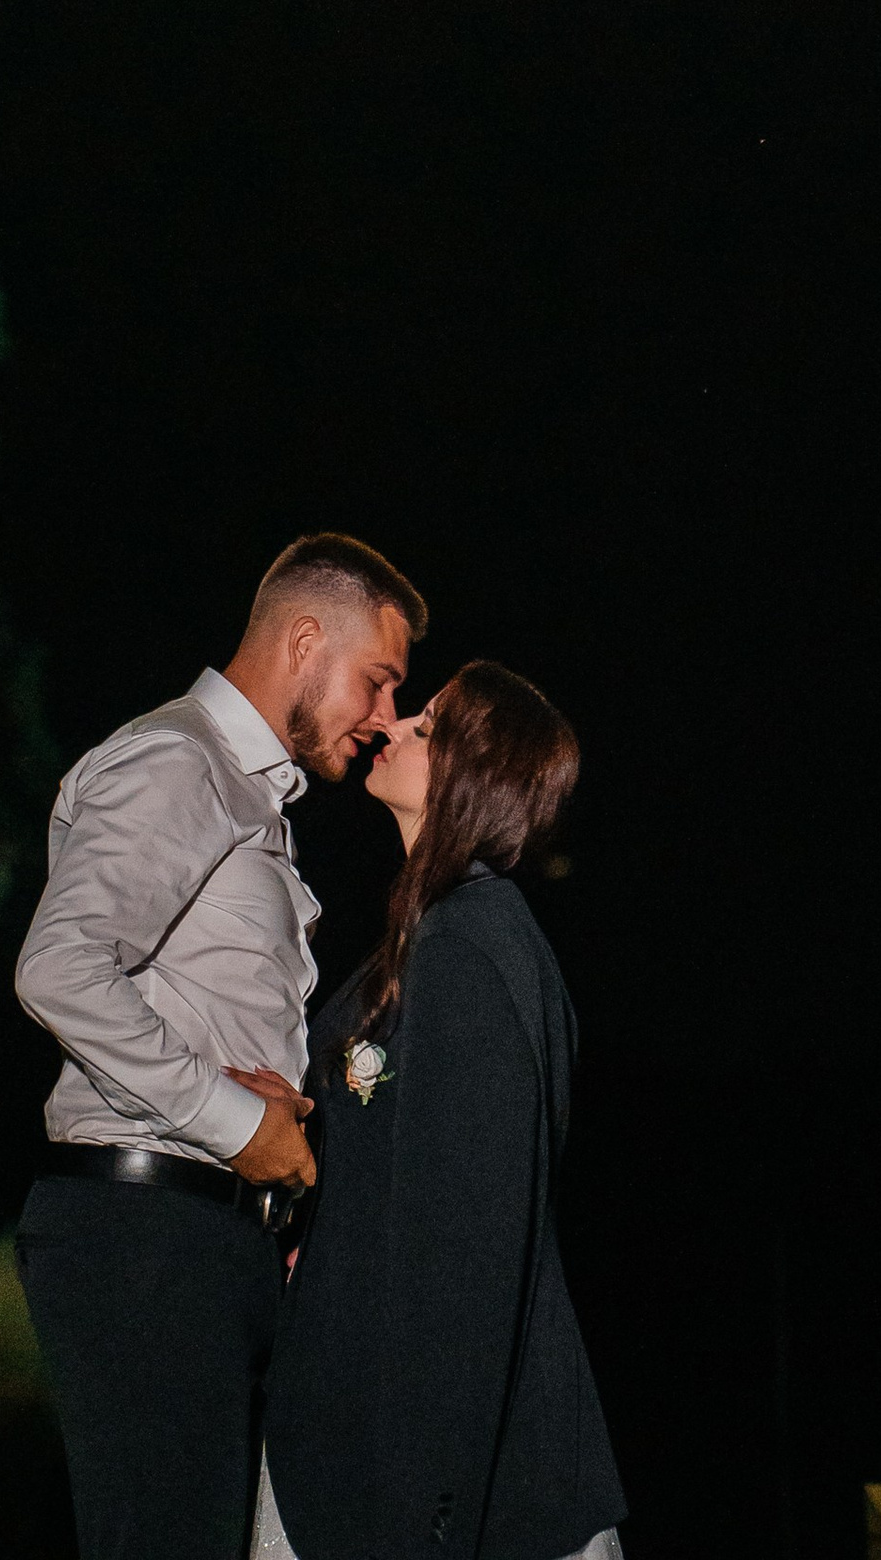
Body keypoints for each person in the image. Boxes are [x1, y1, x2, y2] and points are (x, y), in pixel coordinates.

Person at [14, 531, 426, 1560]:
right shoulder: (178, 758)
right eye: (376, 681)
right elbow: (59, 967)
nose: (382, 717)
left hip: (205, 1236)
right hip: (144, 1233)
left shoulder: (249, 794)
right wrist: (240, 1124)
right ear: (302, 639)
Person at [254, 661, 626, 1560]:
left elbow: (464, 1263)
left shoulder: (472, 952)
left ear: (474, 774)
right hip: (365, 1464)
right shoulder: (432, 940)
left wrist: (423, 1520)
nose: (396, 725)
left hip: (437, 1501)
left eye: (429, 726)